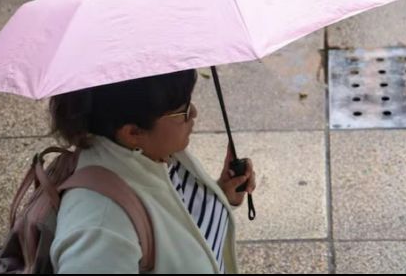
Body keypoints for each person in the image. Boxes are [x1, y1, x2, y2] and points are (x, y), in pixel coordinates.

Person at [48, 69, 255, 273]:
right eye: (182, 110)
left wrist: (220, 195)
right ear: (133, 132)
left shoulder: (156, 152)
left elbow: (176, 214)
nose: (193, 112)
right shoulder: (101, 228)